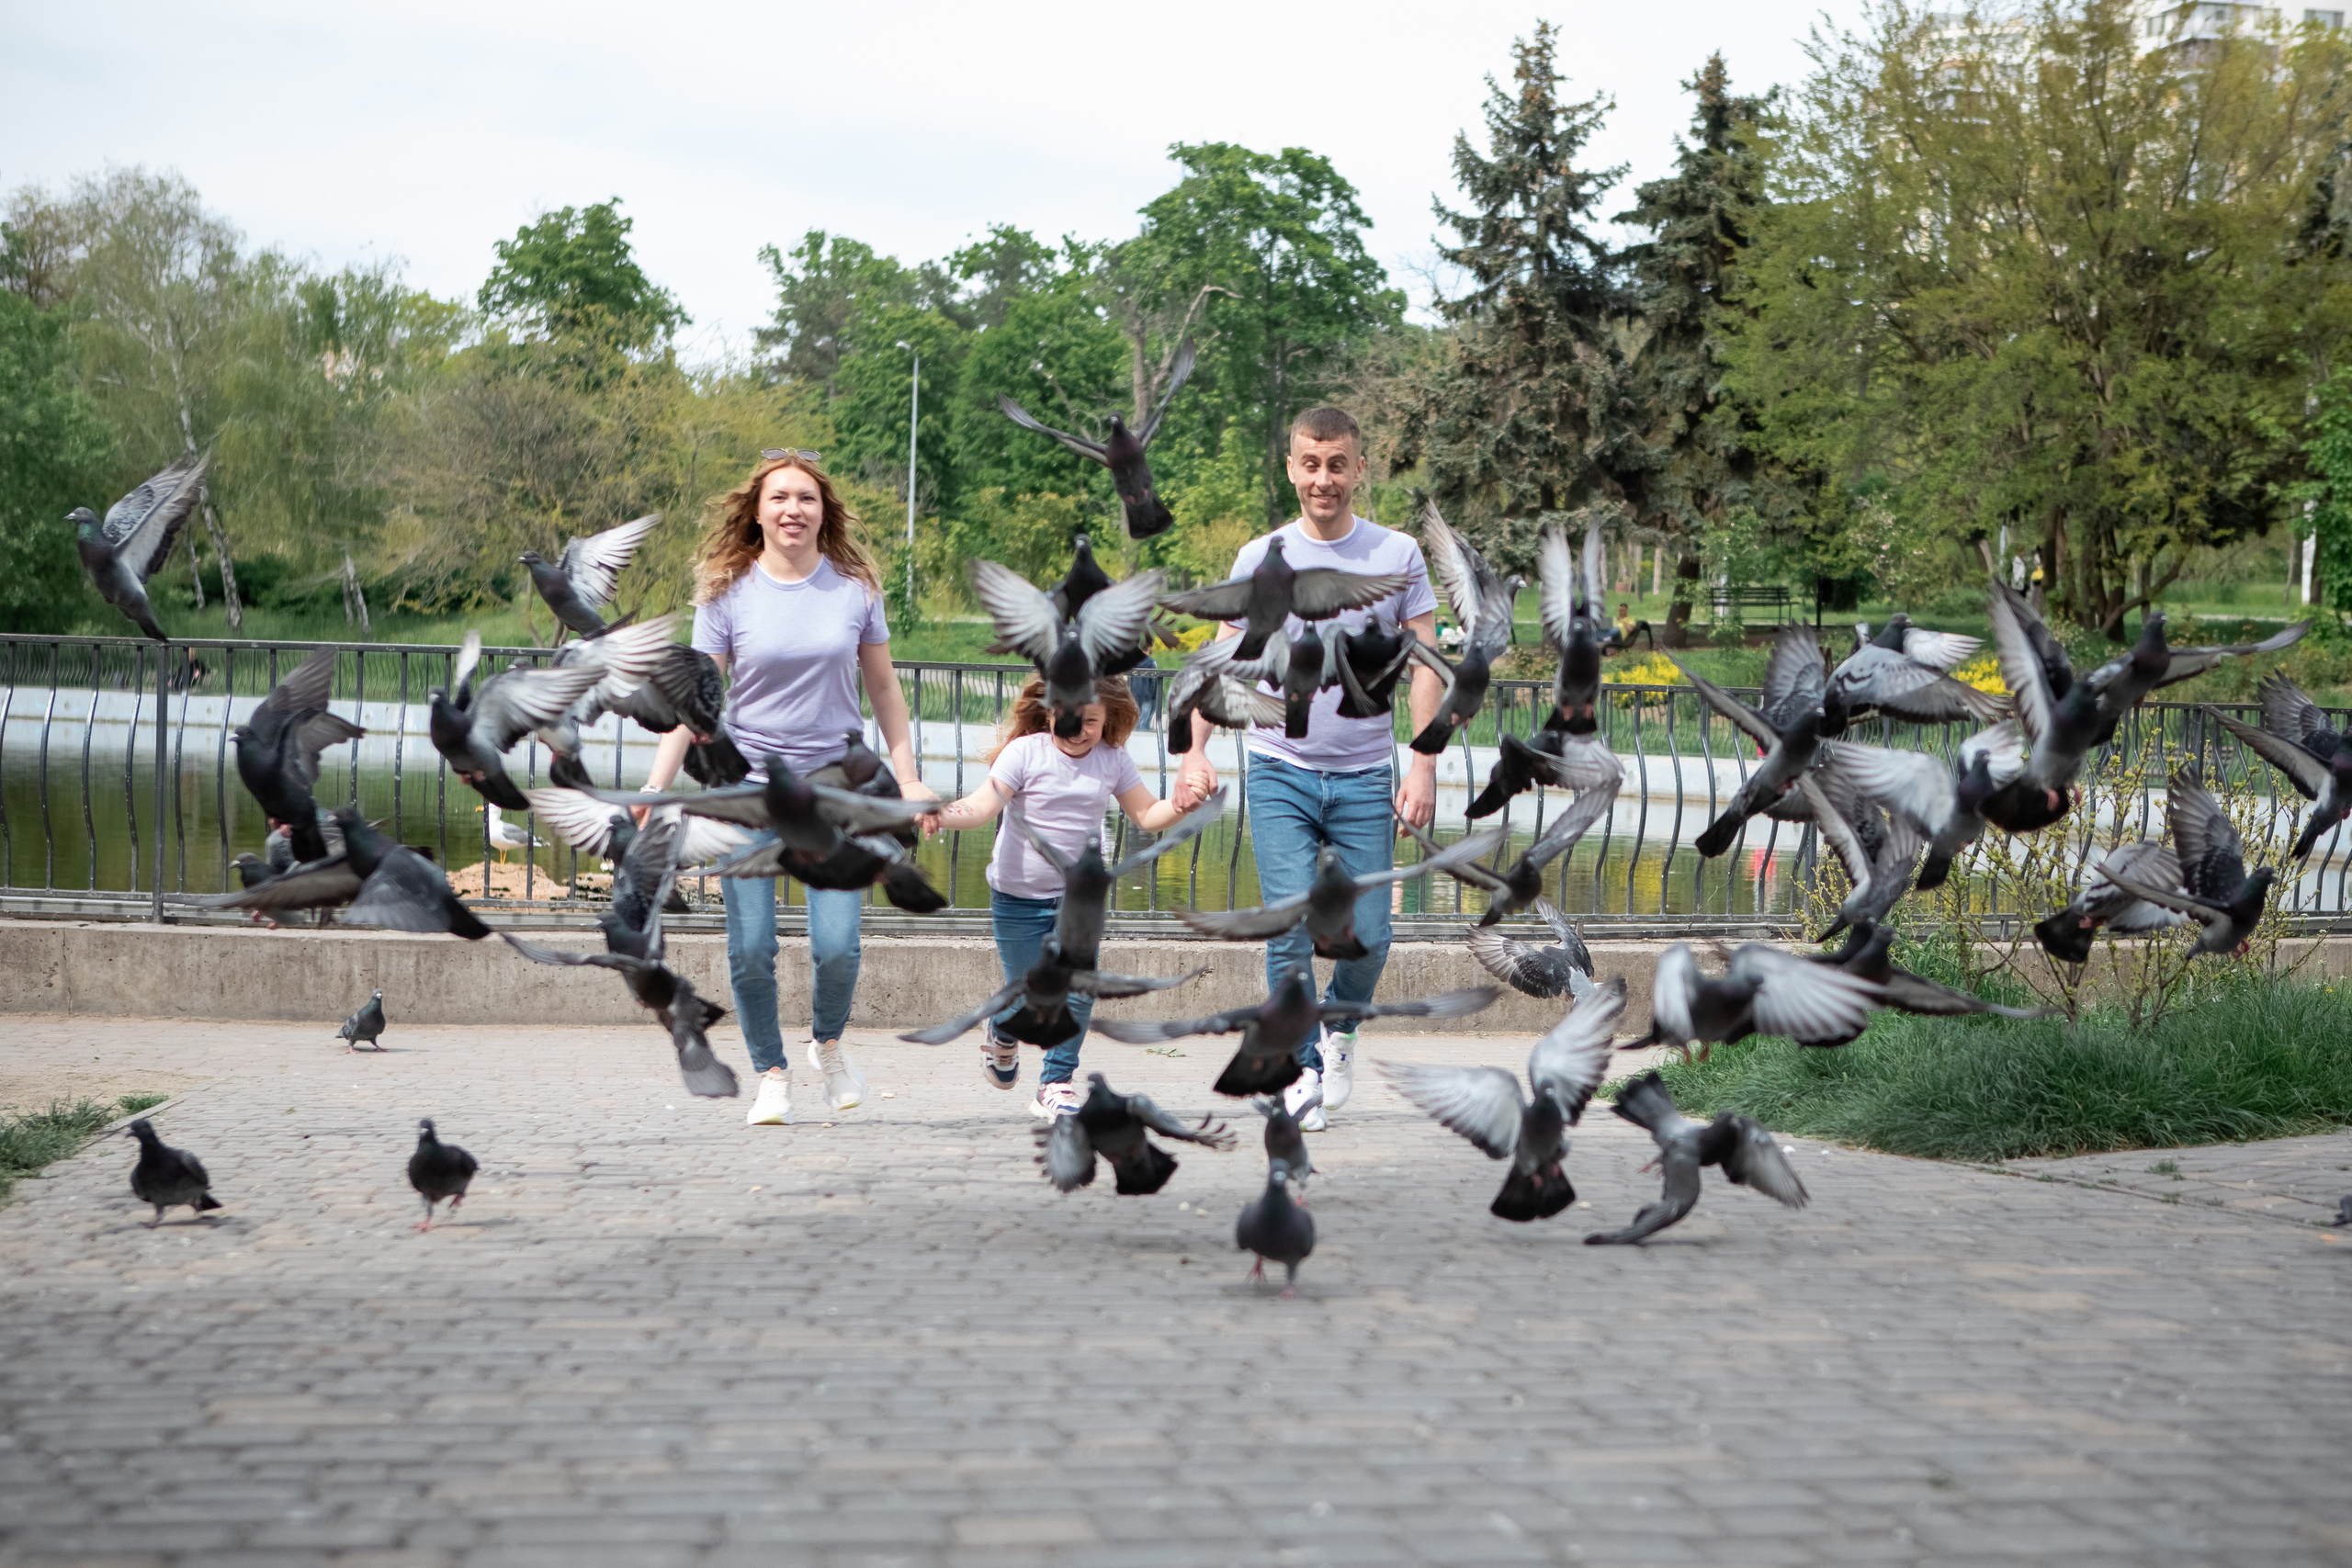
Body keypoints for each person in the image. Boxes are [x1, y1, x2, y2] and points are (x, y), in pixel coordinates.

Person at [641, 452, 934, 1129]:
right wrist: (658, 783)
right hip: (746, 793)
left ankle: (827, 1044)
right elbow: (695, 700)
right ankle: (770, 1073)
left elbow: (884, 689)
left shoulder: (854, 587)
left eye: (806, 497)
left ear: (823, 509)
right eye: (780, 497)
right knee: (749, 949)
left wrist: (909, 776)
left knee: (838, 945)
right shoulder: (725, 592)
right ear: (758, 510)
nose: (793, 508)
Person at [1174, 406, 1442, 1132]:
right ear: (1291, 467)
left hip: (1362, 775)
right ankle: (1301, 1070)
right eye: (1310, 464)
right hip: (1279, 767)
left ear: (1359, 467)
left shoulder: (1398, 555)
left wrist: (1422, 762)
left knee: (1374, 935)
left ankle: (1342, 1028)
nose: (1324, 479)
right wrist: (1193, 747)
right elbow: (1224, 657)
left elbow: (1426, 664)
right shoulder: (1261, 557)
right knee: (1289, 921)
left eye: (1337, 465)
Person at [927, 675, 1208, 1118]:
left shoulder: (1112, 761)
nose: (1080, 731)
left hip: (1077, 901)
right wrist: (940, 814)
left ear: (1107, 719)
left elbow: (1147, 814)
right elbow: (981, 808)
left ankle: (1055, 1084)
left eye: (1092, 721)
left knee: (1077, 989)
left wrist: (1181, 805)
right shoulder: (1025, 753)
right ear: (1051, 711)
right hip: (1017, 897)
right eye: (1072, 719)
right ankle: (1003, 1026)